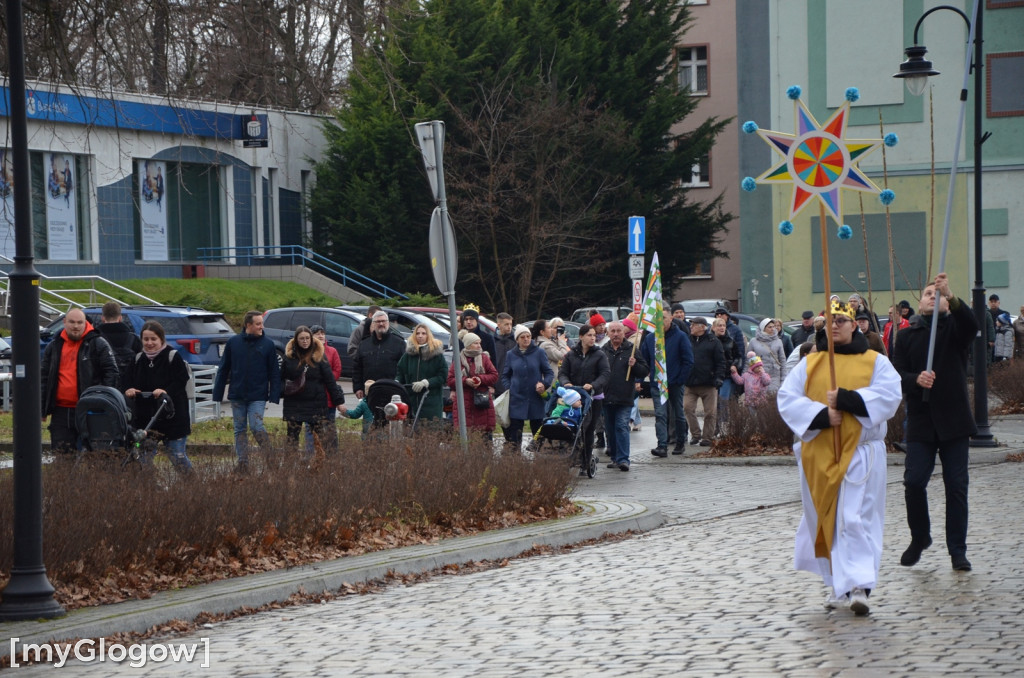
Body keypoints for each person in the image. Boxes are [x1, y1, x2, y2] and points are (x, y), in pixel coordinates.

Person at [777, 299, 902, 615]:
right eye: (830, 321)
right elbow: (787, 398)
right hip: (818, 455)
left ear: (853, 325)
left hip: (860, 455)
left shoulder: (875, 362)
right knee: (826, 520)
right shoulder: (811, 363)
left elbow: (890, 395)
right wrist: (820, 416)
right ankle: (837, 585)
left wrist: (848, 400)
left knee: (853, 517)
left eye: (841, 321)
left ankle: (859, 585)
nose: (835, 326)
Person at [892, 273, 978, 572]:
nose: (933, 297)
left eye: (937, 294)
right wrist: (917, 379)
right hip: (921, 421)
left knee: (956, 486)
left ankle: (957, 550)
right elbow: (896, 375)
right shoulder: (905, 335)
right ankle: (920, 537)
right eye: (929, 293)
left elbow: (972, 324)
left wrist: (951, 295)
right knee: (914, 482)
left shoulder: (956, 328)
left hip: (954, 420)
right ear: (919, 303)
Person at [41, 308, 119, 455]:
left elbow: (112, 372)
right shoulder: (54, 346)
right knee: (62, 456)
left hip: (90, 409)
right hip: (61, 411)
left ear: (85, 323)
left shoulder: (98, 344)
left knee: (95, 456)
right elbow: (44, 377)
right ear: (64, 322)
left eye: (79, 322)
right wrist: (42, 408)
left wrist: (103, 401)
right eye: (72, 322)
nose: (75, 326)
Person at [212, 310, 281, 471]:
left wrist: (274, 394)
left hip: (258, 394)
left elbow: (274, 372)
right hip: (237, 394)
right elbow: (223, 369)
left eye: (262, 323)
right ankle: (243, 463)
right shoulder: (233, 343)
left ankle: (270, 458)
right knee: (239, 429)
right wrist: (217, 393)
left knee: (257, 427)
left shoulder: (268, 344)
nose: (261, 327)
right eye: (258, 324)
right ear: (248, 325)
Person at [124, 321, 194, 475]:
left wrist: (165, 391)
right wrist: (128, 390)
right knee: (144, 459)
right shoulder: (137, 359)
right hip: (147, 420)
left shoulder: (172, 356)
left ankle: (193, 485)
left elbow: (181, 380)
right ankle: (153, 489)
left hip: (172, 417)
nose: (149, 343)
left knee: (177, 456)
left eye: (153, 339)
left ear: (161, 339)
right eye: (146, 339)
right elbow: (126, 381)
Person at [280, 326, 346, 459]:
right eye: (301, 339)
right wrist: (280, 392)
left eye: (307, 338)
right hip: (294, 404)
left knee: (322, 438)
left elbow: (330, 381)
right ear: (296, 340)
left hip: (316, 403)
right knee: (292, 439)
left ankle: (328, 465)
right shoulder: (289, 358)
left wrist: (339, 401)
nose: (305, 341)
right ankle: (289, 469)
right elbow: (281, 379)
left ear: (311, 339)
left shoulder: (319, 357)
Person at [643, 308, 693, 457]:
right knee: (660, 414)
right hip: (657, 383)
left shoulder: (680, 337)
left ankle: (679, 442)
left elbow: (688, 361)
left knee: (677, 413)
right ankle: (662, 445)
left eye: (663, 318)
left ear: (671, 318)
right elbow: (644, 361)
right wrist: (639, 375)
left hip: (675, 382)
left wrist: (680, 379)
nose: (661, 321)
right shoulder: (650, 338)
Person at [558, 323, 610, 463]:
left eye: (594, 335)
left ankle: (586, 459)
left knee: (588, 429)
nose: (593, 338)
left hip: (593, 397)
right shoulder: (571, 354)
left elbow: (605, 374)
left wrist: (593, 385)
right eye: (589, 335)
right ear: (581, 337)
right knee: (572, 427)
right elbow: (562, 373)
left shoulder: (599, 355)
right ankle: (572, 456)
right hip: (573, 396)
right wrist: (566, 383)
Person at [603, 321, 649, 471]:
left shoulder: (632, 349)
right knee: (610, 429)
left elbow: (644, 371)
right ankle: (615, 457)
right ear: (608, 333)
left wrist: (635, 365)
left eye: (618, 331)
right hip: (607, 397)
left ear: (623, 333)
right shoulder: (603, 351)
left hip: (625, 397)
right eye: (613, 331)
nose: (616, 334)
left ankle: (624, 459)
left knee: (622, 426)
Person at [501, 324, 554, 449]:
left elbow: (549, 372)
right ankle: (516, 462)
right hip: (517, 399)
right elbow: (505, 375)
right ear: (517, 340)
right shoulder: (511, 354)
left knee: (538, 434)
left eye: (528, 336)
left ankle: (539, 461)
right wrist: (510, 387)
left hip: (535, 397)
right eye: (522, 337)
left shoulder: (539, 352)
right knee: (515, 436)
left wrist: (544, 384)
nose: (526, 339)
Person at [683, 316, 725, 446]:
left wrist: (718, 377)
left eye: (693, 325)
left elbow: (720, 362)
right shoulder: (687, 340)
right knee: (687, 408)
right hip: (690, 383)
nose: (691, 327)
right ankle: (695, 434)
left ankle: (707, 437)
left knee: (710, 413)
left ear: (702, 327)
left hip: (708, 383)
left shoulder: (714, 341)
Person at [448, 332, 499, 439]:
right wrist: (465, 381)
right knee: (465, 434)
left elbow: (494, 376)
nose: (479, 346)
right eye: (476, 343)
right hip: (463, 401)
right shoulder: (458, 359)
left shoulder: (484, 358)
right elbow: (450, 380)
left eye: (479, 343)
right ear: (468, 344)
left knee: (484, 435)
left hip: (481, 402)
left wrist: (480, 379)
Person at [396, 323, 448, 424]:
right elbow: (400, 372)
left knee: (430, 431)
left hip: (431, 402)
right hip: (411, 401)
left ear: (428, 335)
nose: (420, 336)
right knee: (411, 432)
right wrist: (397, 382)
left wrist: (426, 382)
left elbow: (443, 376)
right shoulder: (408, 355)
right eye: (418, 333)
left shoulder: (436, 355)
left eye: (423, 333)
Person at [308, 325, 342, 454]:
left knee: (329, 429)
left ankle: (332, 457)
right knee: (311, 431)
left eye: (322, 333)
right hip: (311, 399)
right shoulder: (307, 352)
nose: (321, 336)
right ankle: (312, 456)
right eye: (317, 333)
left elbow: (337, 371)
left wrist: (324, 378)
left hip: (328, 398)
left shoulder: (332, 351)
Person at [96, 301, 142, 392]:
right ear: (120, 318)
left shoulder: (96, 340)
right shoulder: (133, 339)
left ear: (103, 318)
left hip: (104, 389)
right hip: (130, 389)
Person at [712, 316, 741, 435]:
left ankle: (724, 428)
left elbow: (738, 356)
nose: (722, 328)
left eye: (723, 325)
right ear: (713, 328)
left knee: (723, 401)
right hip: (712, 376)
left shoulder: (730, 341)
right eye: (719, 325)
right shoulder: (710, 341)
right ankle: (714, 428)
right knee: (713, 405)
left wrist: (735, 365)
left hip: (727, 376)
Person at [748, 317, 786, 391]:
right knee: (760, 398)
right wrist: (745, 376)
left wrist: (783, 378)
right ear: (763, 328)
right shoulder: (754, 341)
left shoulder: (778, 341)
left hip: (775, 375)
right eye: (769, 327)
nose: (773, 329)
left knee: (773, 397)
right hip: (758, 375)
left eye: (773, 326)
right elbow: (748, 360)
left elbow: (782, 360)